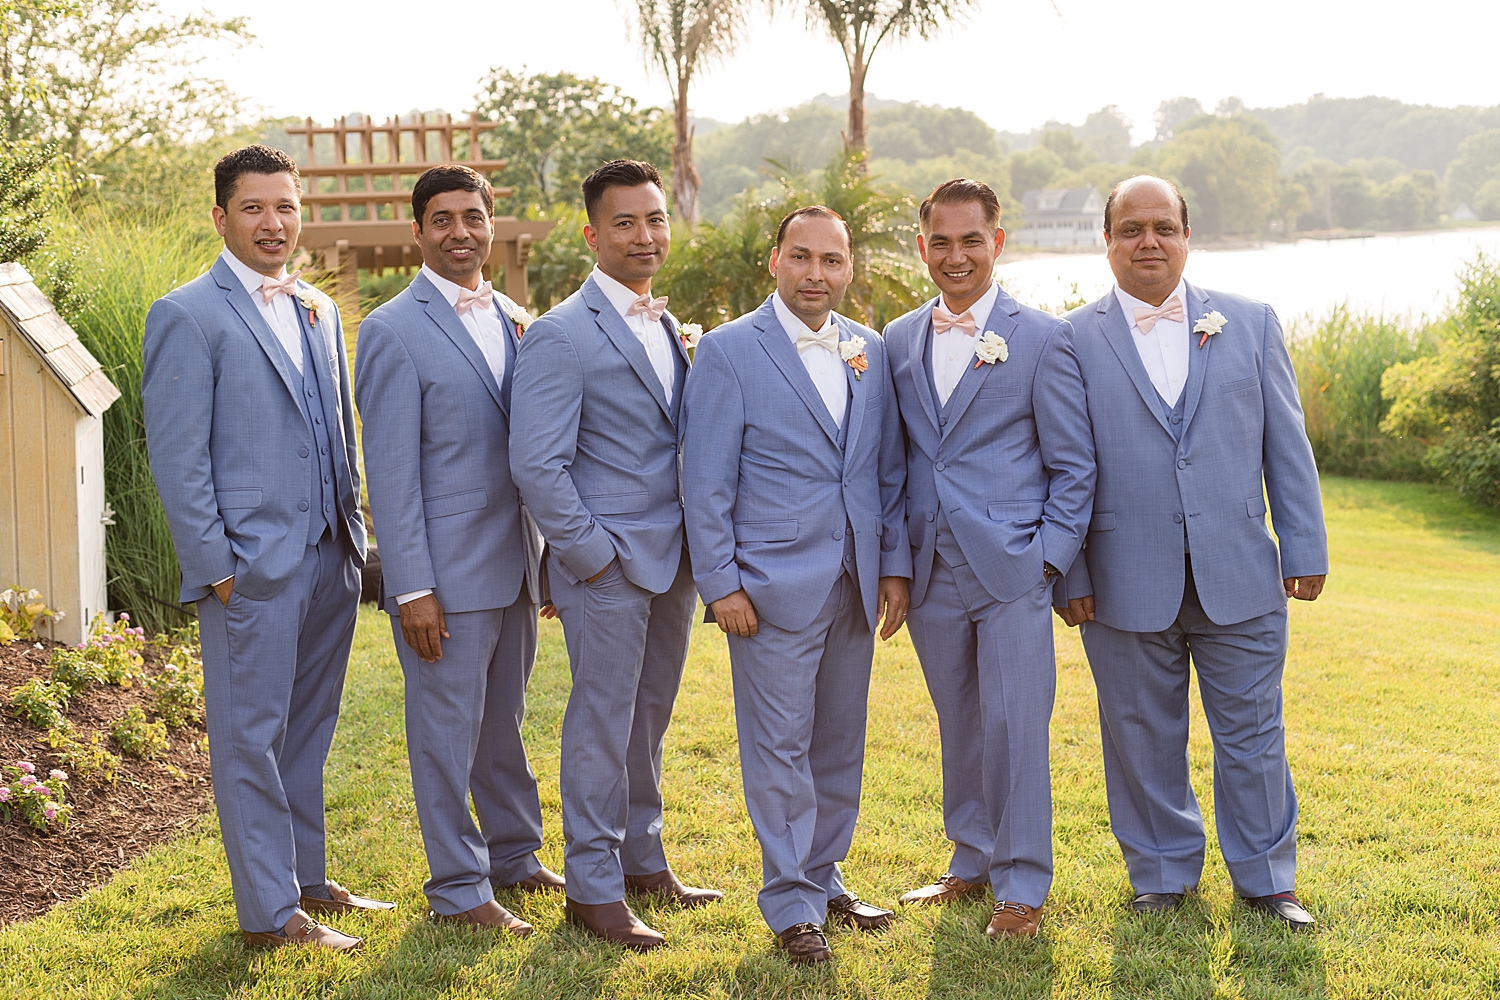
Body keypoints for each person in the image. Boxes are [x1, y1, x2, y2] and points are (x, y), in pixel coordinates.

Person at [1058, 175, 1328, 930]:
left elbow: (1287, 446)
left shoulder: (1249, 322)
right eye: (1131, 229)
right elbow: (1063, 467)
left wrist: (1302, 545)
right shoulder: (1070, 338)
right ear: (1106, 241)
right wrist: (1071, 572)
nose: (1148, 242)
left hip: (1240, 570)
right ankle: (1163, 874)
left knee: (1253, 737)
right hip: (1119, 580)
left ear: (1186, 235)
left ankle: (1269, 880)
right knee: (1141, 738)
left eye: (1163, 227)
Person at [142, 144, 392, 951]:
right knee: (251, 739)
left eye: (285, 206)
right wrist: (217, 570)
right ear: (221, 218)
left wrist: (356, 538)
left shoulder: (317, 307)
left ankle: (309, 881)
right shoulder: (187, 314)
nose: (273, 222)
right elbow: (178, 460)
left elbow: (337, 432)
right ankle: (270, 915)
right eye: (254, 207)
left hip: (329, 556)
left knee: (309, 729)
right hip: (249, 572)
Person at [681, 206, 911, 963]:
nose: (817, 274)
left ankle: (824, 874)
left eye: (832, 260)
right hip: (768, 587)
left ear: (849, 268)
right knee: (779, 747)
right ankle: (790, 905)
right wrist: (721, 584)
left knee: (840, 742)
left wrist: (893, 570)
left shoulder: (868, 350)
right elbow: (704, 480)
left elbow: (885, 473)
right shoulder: (727, 351)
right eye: (802, 257)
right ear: (774, 261)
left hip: (853, 580)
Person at [510, 159, 720, 950]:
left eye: (656, 219)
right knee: (601, 722)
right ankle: (592, 891)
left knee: (648, 719)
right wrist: (591, 555)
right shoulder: (562, 333)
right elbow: (537, 463)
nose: (645, 235)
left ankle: (642, 858)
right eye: (626, 223)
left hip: (673, 561)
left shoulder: (667, 322)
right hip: (607, 566)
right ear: (593, 234)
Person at [882, 179, 1095, 939]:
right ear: (922, 247)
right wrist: (896, 565)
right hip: (933, 570)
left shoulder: (1042, 337)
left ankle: (1022, 885)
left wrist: (1046, 561)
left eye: (971, 240)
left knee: (1015, 726)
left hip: (1013, 571)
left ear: (997, 243)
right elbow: (899, 459)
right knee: (960, 721)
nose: (956, 255)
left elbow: (1075, 467)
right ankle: (970, 859)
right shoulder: (899, 339)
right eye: (940, 241)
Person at [355, 164, 555, 937]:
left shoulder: (514, 315)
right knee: (445, 736)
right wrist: (411, 588)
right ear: (418, 232)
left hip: (515, 565)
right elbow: (393, 474)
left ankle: (515, 855)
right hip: (444, 575)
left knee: (502, 722)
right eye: (442, 220)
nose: (460, 232)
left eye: (472, 217)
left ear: (489, 223)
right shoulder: (391, 330)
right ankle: (458, 888)